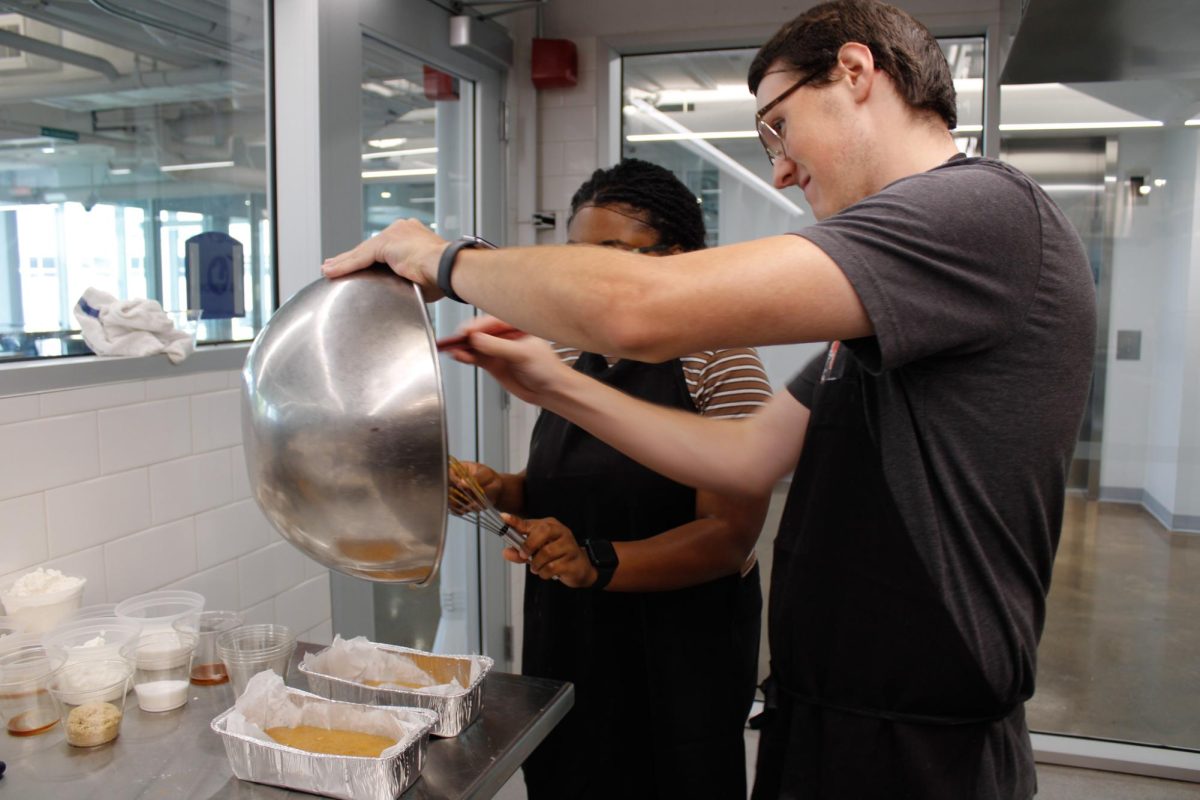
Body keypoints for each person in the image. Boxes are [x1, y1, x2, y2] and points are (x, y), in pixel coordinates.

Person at [324, 2, 1097, 797]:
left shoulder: (980, 212)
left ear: (858, 73)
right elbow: (745, 454)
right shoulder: (882, 310)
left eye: (778, 125)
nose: (781, 169)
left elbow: (639, 311)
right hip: (825, 718)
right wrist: (553, 381)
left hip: (918, 746)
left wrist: (439, 256)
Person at [452, 158, 771, 799]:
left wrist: (593, 560)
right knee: (569, 774)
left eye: (611, 254)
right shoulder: (566, 356)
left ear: (674, 258)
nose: (584, 277)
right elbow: (567, 483)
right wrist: (503, 489)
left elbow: (727, 536)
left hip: (681, 647)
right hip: (570, 632)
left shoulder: (723, 362)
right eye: (575, 256)